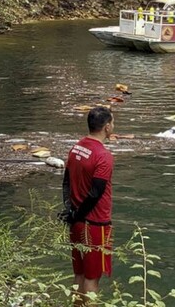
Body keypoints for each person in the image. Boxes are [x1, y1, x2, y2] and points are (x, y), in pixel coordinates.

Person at [61, 106, 115, 306]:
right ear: (107, 127)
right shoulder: (103, 155)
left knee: (79, 273)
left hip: (76, 221)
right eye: (113, 123)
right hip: (95, 224)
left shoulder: (76, 148)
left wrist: (70, 211)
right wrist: (77, 214)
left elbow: (66, 182)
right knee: (92, 277)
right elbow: (96, 193)